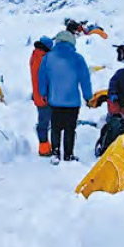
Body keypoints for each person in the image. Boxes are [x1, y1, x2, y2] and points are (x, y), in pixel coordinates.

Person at [38, 31, 93, 163]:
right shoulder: (78, 58)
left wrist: (43, 93)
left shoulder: (48, 58)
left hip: (55, 99)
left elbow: (42, 77)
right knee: (70, 129)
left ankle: (55, 153)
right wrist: (88, 96)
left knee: (55, 128)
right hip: (72, 102)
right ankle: (68, 155)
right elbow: (85, 79)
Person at [30, 36, 54, 156]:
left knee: (43, 121)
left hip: (37, 95)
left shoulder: (35, 55)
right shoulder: (43, 59)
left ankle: (45, 146)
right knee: (44, 122)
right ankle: (44, 149)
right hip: (44, 97)